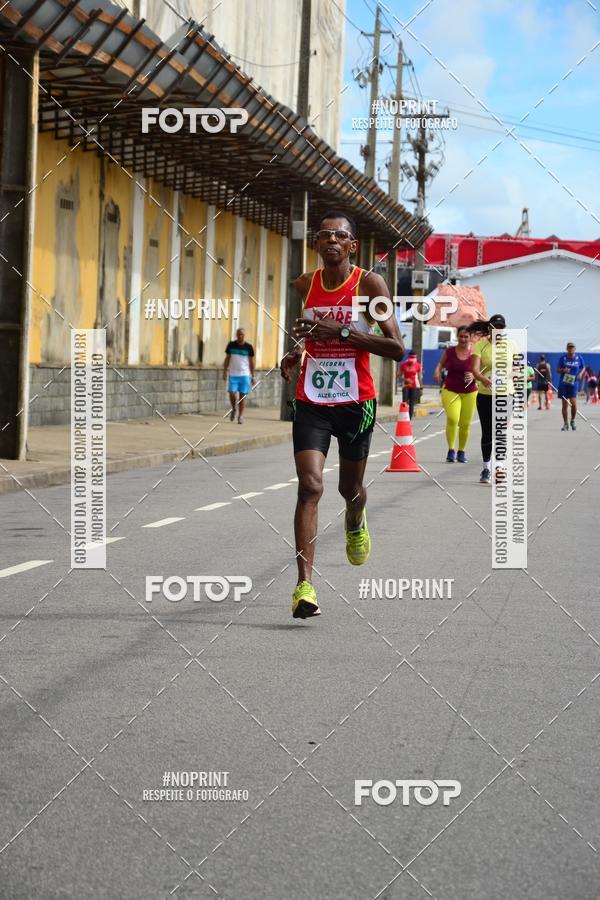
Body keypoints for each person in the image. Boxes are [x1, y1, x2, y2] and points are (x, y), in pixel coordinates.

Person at [280, 210, 404, 619]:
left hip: (356, 402)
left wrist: (345, 333)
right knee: (309, 487)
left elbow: (397, 347)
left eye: (340, 236)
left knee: (349, 489)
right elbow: (304, 337)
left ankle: (355, 516)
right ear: (317, 244)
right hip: (312, 400)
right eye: (324, 235)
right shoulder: (304, 284)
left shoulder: (370, 284)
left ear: (352, 245)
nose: (331, 240)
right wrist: (294, 355)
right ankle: (304, 587)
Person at [469, 315, 520, 484]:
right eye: (494, 326)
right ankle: (486, 468)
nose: (497, 330)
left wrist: (509, 375)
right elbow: (474, 369)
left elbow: (518, 369)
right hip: (485, 394)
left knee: (500, 431)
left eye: (500, 327)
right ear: (489, 328)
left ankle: (499, 467)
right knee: (487, 432)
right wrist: (483, 379)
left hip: (506, 394)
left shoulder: (512, 346)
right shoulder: (480, 345)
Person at [433, 326, 477, 463]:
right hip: (451, 390)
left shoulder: (475, 353)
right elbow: (441, 363)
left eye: (466, 337)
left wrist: (474, 375)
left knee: (465, 424)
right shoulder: (450, 351)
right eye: (461, 336)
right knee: (452, 418)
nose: (463, 339)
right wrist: (437, 371)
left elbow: (482, 370)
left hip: (470, 392)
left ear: (470, 338)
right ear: (457, 336)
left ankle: (461, 451)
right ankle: (451, 450)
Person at [223, 328, 255, 424]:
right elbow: (227, 359)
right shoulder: (231, 345)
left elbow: (251, 362)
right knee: (232, 393)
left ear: (244, 336)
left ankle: (240, 416)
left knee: (242, 396)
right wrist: (224, 371)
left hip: (244, 375)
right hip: (233, 374)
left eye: (242, 334)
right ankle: (233, 409)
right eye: (238, 334)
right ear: (236, 335)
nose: (240, 336)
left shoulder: (249, 347)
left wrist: (253, 376)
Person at [556, 342, 585, 431]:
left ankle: (572, 420)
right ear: (567, 349)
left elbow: (583, 367)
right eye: (569, 347)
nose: (571, 349)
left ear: (575, 349)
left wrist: (580, 374)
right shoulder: (563, 358)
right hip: (564, 384)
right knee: (564, 405)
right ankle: (565, 424)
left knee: (574, 404)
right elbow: (557, 369)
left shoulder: (579, 358)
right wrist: (563, 369)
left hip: (573, 384)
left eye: (572, 347)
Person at [398, 350, 422, 419]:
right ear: (408, 358)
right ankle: (403, 416)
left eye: (413, 358)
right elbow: (399, 375)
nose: (411, 360)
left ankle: (409, 418)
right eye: (410, 358)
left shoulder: (418, 365)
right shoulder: (403, 365)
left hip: (414, 386)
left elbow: (420, 377)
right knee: (405, 402)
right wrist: (404, 379)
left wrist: (421, 388)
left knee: (412, 403)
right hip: (406, 386)